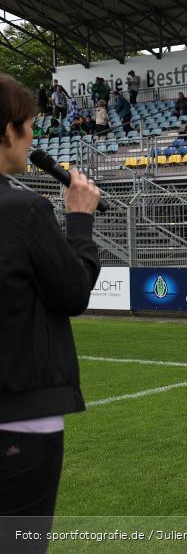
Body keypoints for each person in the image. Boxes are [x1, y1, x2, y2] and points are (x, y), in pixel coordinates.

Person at [0, 73, 101, 554]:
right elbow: (74, 291)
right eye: (29, 127)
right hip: (20, 421)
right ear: (7, 132)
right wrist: (79, 219)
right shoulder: (23, 210)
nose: (33, 139)